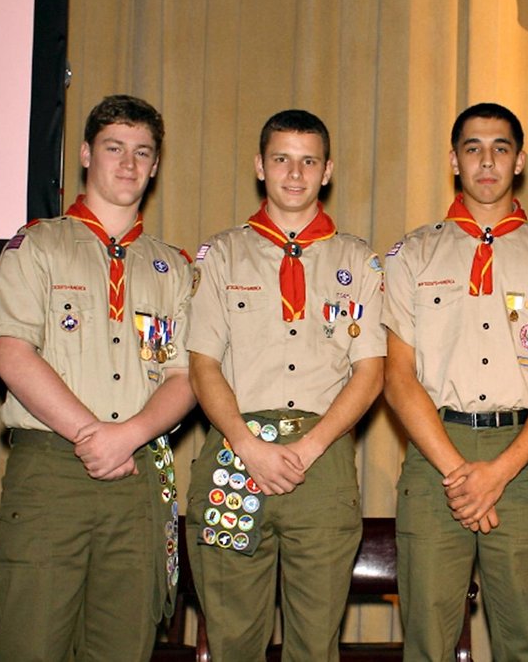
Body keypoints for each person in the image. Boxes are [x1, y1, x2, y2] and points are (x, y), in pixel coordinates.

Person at [0, 94, 196, 660]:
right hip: (54, 472)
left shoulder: (173, 268)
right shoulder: (38, 246)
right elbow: (11, 353)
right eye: (114, 148)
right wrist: (90, 435)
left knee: (123, 645)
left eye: (142, 152)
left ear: (155, 165)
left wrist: (129, 436)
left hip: (138, 477)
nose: (128, 163)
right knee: (33, 643)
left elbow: (186, 375)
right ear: (85, 154)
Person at [184, 109, 385, 661]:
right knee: (233, 641)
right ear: (259, 166)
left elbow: (370, 371)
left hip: (321, 463)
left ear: (327, 171)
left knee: (315, 644)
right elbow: (202, 364)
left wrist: (309, 447)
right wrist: (247, 446)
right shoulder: (222, 255)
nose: (294, 174)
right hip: (236, 457)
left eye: (308, 161)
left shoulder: (358, 260)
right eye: (281, 159)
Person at [383, 102, 528, 661]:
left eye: (500, 148)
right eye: (473, 148)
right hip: (435, 455)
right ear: (454, 160)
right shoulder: (413, 254)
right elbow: (397, 378)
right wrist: (460, 475)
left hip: (522, 457)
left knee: (522, 643)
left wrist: (499, 472)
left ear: (519, 161)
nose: (486, 161)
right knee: (427, 644)